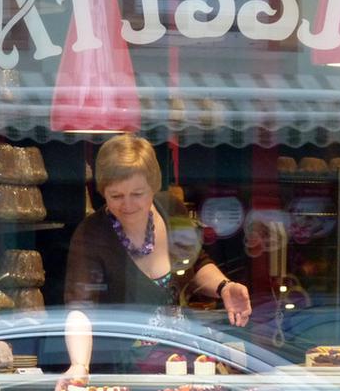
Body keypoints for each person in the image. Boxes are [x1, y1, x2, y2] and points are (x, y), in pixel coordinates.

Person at [56, 134, 252, 390]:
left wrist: (224, 286)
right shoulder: (92, 234)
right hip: (124, 374)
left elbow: (196, 263)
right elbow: (80, 309)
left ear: (153, 186)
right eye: (116, 196)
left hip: (182, 368)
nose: (127, 205)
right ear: (103, 192)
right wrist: (79, 365)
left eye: (137, 193)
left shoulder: (172, 210)